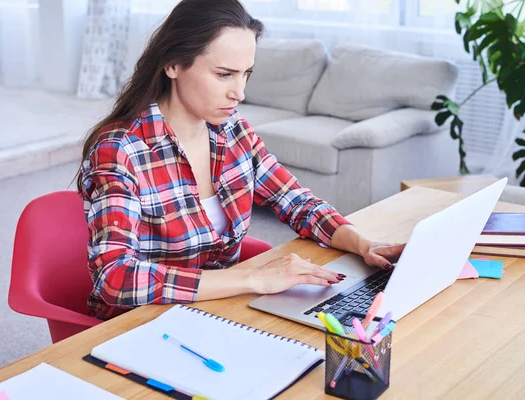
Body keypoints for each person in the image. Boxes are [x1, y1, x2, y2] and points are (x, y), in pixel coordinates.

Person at [76, 0, 404, 320]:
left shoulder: (232, 130)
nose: (240, 92)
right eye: (224, 75)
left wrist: (362, 244)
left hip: (217, 311)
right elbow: (115, 277)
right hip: (142, 325)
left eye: (246, 73)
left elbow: (296, 202)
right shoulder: (120, 150)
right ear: (173, 64)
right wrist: (252, 278)